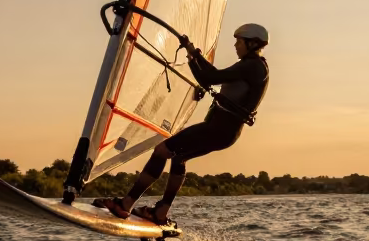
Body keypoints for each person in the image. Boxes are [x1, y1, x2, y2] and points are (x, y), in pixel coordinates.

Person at [95, 23, 270, 225]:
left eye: (239, 42)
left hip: (217, 130)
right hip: (225, 133)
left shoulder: (252, 66)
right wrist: (192, 53)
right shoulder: (254, 66)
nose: (235, 45)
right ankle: (161, 212)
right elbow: (211, 75)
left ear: (251, 43)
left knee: (162, 150)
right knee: (179, 157)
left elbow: (209, 78)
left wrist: (192, 56)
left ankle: (126, 204)